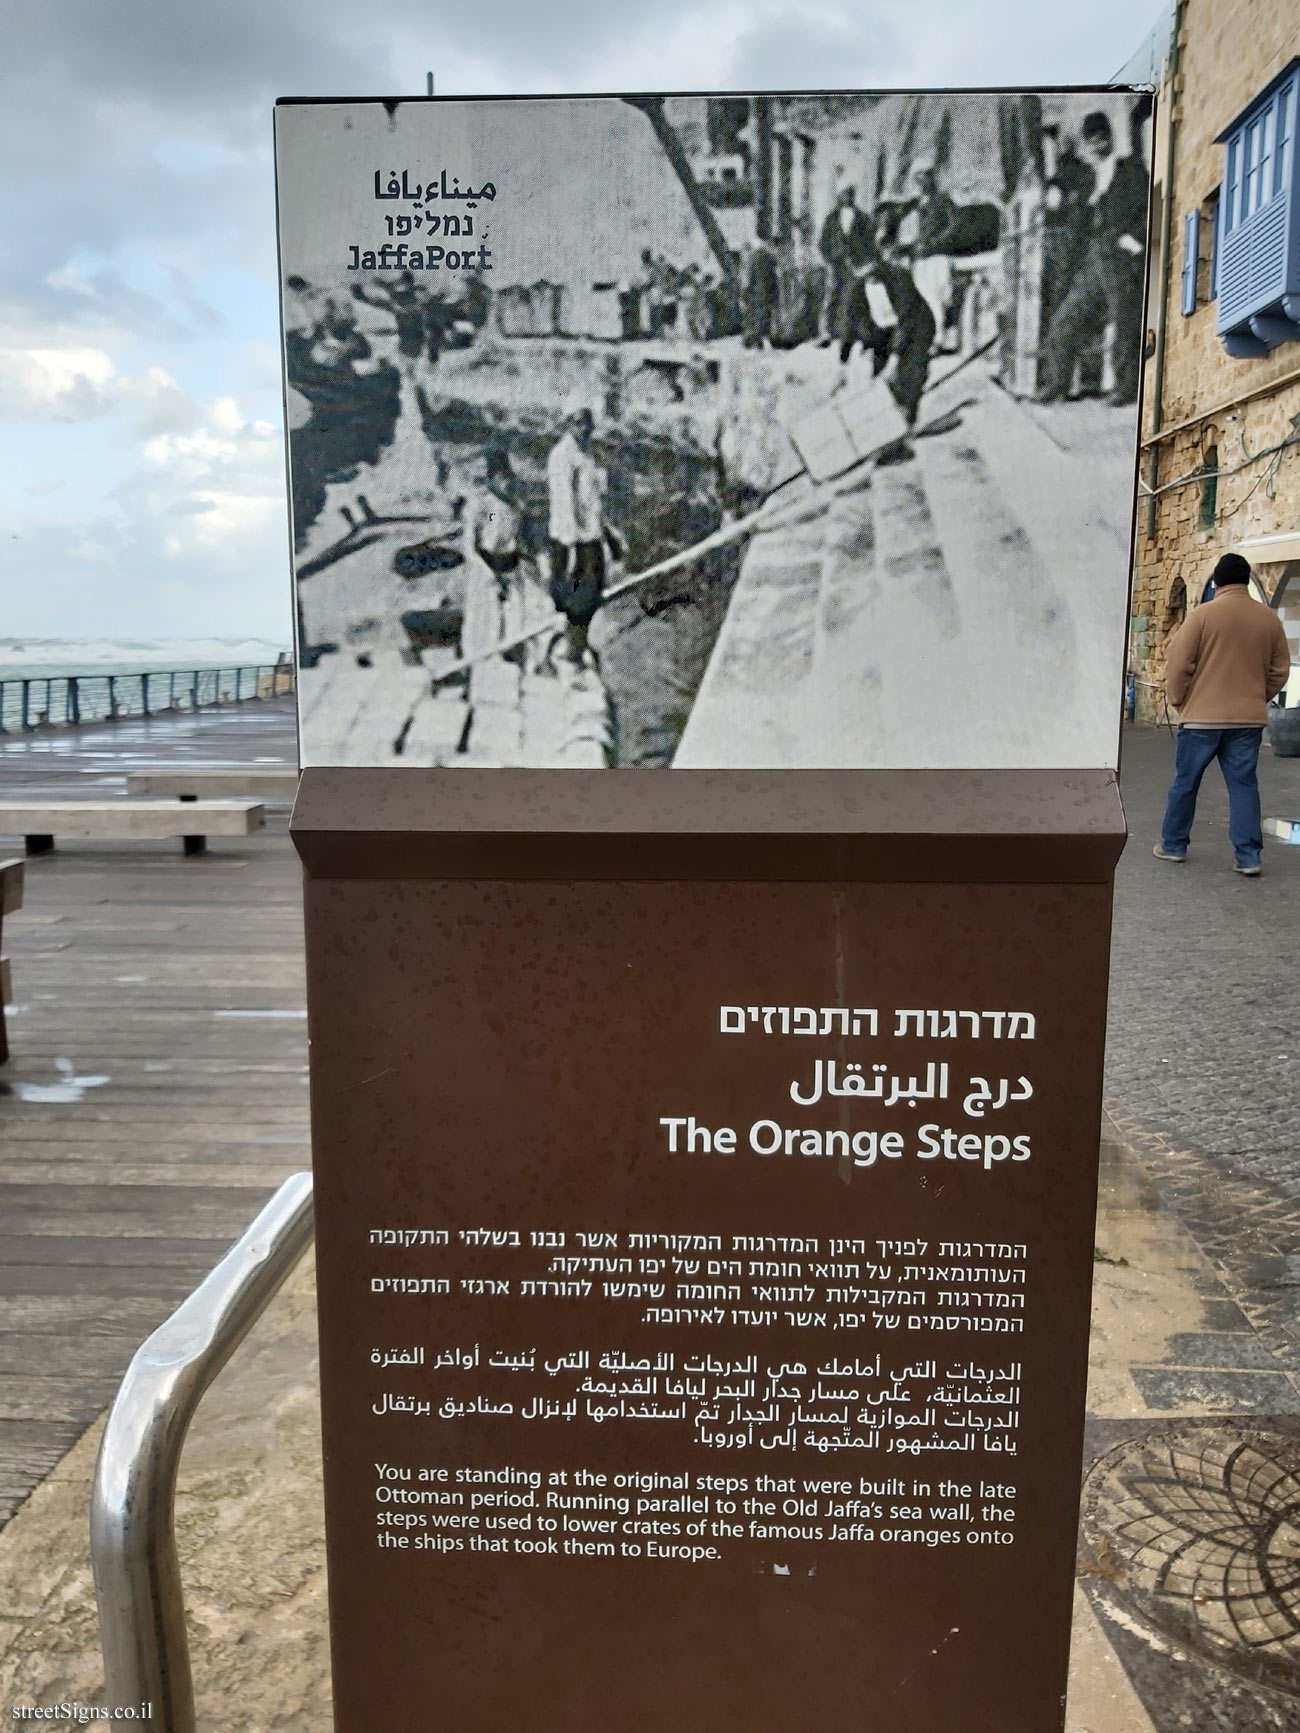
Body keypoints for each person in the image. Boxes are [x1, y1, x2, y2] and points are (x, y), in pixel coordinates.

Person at [1155, 553, 1291, 876]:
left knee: (1186, 782)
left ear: (1217, 582)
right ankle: (1248, 856)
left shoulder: (1202, 616)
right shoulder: (1268, 619)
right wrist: (1259, 695)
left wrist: (1179, 700)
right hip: (1247, 720)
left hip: (1201, 718)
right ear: (1245, 581)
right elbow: (1280, 670)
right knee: (1244, 784)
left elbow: (1178, 665)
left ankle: (1173, 845)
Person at [1037, 110, 1147, 405]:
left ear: (1110, 138)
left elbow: (1151, 210)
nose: (1097, 145)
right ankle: (1055, 385)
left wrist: (1134, 242)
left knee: (1125, 323)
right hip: (1092, 261)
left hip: (1121, 262)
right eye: (1091, 140)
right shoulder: (1085, 179)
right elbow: (1063, 188)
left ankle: (1125, 389)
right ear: (1085, 144)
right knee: (1064, 320)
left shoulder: (1132, 171)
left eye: (1102, 137)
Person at [546, 409, 622, 665]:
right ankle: (571, 651)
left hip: (590, 537)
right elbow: (564, 503)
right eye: (578, 424)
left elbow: (593, 502)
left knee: (593, 592)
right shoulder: (562, 456)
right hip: (572, 541)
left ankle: (580, 645)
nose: (584, 430)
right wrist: (572, 547)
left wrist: (609, 536)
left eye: (587, 425)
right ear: (569, 425)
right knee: (576, 597)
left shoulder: (586, 454)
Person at [818, 185, 887, 367]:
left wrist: (867, 264)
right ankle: (829, 333)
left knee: (855, 304)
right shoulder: (831, 219)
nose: (847, 197)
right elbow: (823, 242)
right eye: (843, 193)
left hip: (856, 269)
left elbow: (871, 245)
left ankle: (854, 341)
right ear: (839, 196)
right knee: (833, 299)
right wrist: (831, 258)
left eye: (850, 193)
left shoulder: (863, 219)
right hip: (837, 267)